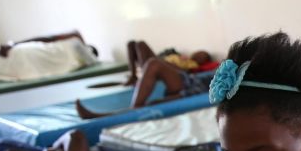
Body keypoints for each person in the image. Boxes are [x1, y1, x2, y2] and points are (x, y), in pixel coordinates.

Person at [74, 41, 215, 119]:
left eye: (202, 55)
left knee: (153, 63)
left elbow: (205, 90)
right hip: (189, 80)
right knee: (138, 46)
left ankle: (134, 108)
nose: (198, 54)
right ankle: (134, 82)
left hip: (189, 83)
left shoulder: (196, 66)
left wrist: (176, 97)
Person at [0, 30, 99, 82]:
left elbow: (46, 38)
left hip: (26, 54)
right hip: (26, 59)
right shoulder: (82, 61)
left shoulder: (74, 41)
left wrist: (14, 44)